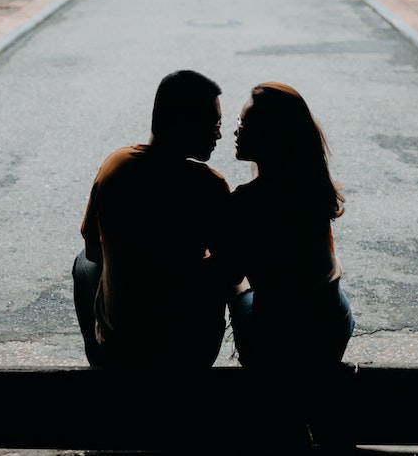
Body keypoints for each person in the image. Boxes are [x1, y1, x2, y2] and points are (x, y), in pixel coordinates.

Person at [72, 70, 242, 368]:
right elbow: (231, 272)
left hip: (120, 348)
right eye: (214, 124)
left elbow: (93, 250)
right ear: (183, 122)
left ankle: (97, 360)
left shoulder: (116, 166)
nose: (219, 135)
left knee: (83, 264)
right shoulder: (208, 185)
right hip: (190, 350)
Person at [227, 82, 354, 370]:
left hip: (282, 336)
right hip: (334, 325)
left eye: (242, 125)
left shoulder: (247, 201)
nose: (235, 132)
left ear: (267, 137)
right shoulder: (313, 187)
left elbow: (231, 270)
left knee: (230, 282)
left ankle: (251, 359)